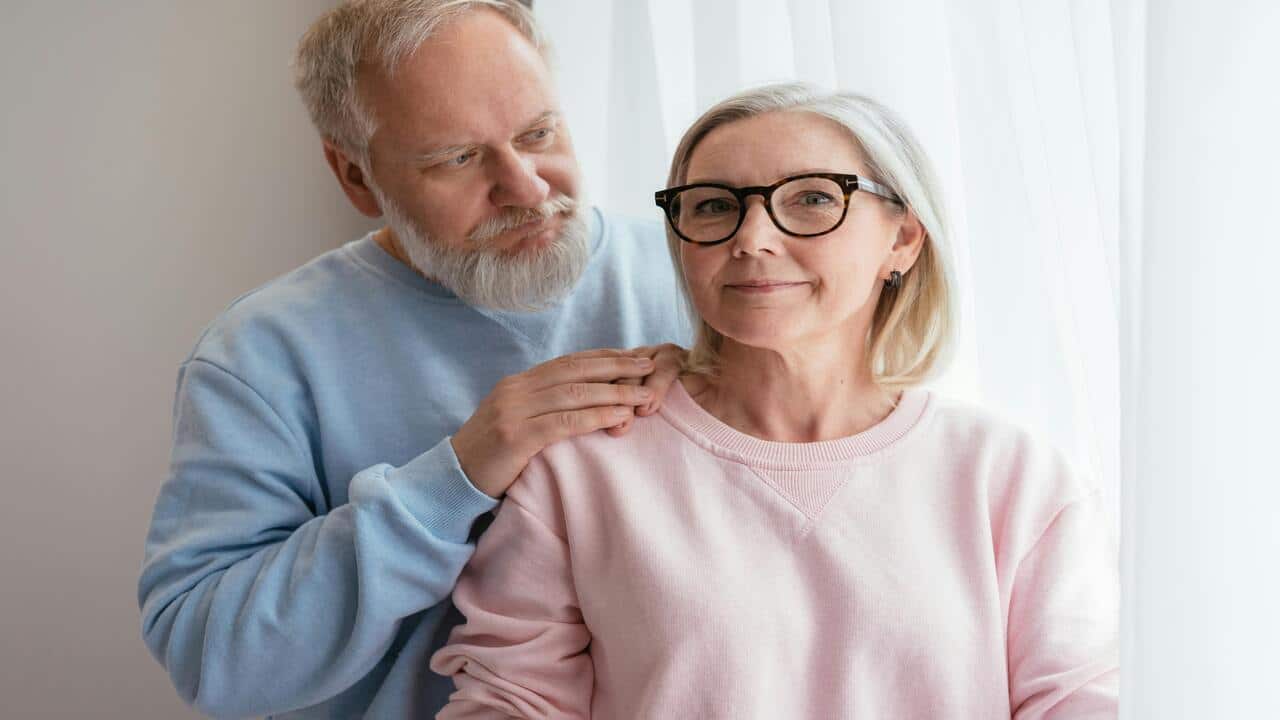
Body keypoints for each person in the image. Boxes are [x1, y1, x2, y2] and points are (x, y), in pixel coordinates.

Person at [431, 82, 1120, 719]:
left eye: (813, 199)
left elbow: (1080, 701)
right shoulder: (580, 472)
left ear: (903, 239)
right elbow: (510, 701)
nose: (752, 239)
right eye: (713, 206)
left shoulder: (1014, 479)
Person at [136, 1, 689, 717]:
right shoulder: (260, 357)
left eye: (539, 132)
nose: (526, 187)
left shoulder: (702, 281)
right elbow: (213, 659)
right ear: (356, 179)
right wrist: (454, 479)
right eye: (457, 158)